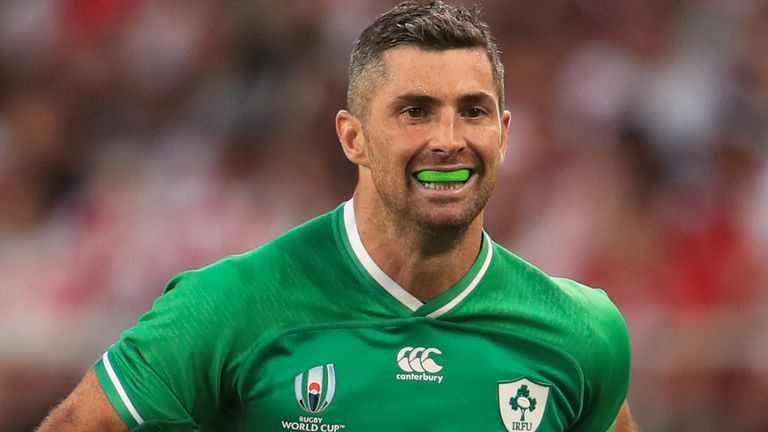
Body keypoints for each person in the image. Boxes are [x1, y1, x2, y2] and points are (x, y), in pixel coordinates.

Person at [37, 1, 635, 431]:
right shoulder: (229, 306)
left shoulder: (580, 333)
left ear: (503, 135)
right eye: (415, 111)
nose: (449, 139)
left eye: (473, 111)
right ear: (354, 138)